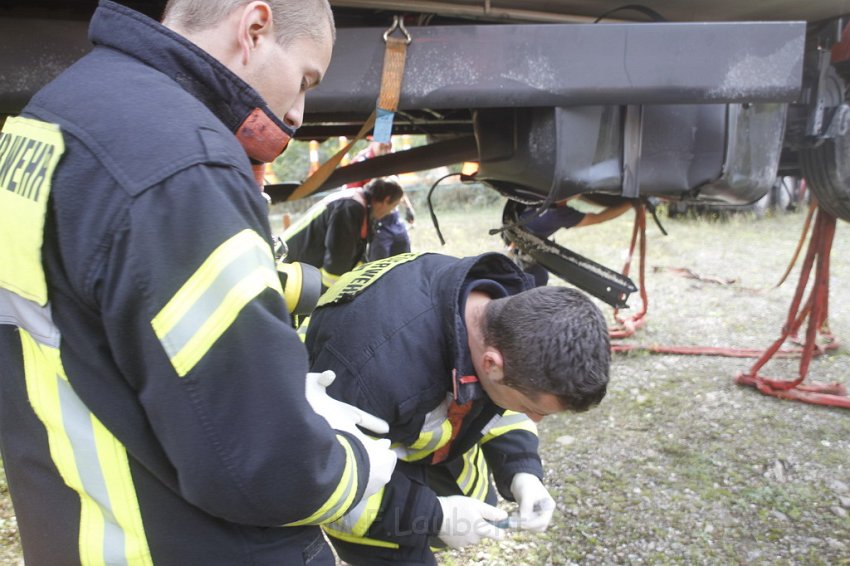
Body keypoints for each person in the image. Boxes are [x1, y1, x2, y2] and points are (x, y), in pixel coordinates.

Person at [0, 1, 397, 564]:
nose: (301, 112)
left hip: (74, 521)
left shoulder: (55, 113)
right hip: (175, 542)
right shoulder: (184, 166)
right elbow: (267, 467)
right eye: (305, 78)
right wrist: (354, 463)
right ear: (254, 28)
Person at [305, 252, 611, 565]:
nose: (535, 419)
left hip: (405, 428)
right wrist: (435, 516)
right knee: (396, 543)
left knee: (474, 501)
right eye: (533, 408)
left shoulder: (505, 317)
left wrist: (524, 473)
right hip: (352, 466)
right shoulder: (372, 369)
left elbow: (503, 406)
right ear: (491, 364)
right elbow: (328, 476)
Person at [283, 177, 404, 289]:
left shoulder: (361, 207)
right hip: (288, 265)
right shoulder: (349, 208)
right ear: (386, 200)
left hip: (299, 266)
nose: (390, 212)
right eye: (393, 206)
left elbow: (356, 256)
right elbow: (338, 261)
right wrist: (332, 296)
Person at [506, 196, 634, 286]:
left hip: (514, 241)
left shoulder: (533, 197)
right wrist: (632, 203)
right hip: (526, 259)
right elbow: (598, 218)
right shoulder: (559, 214)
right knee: (538, 279)